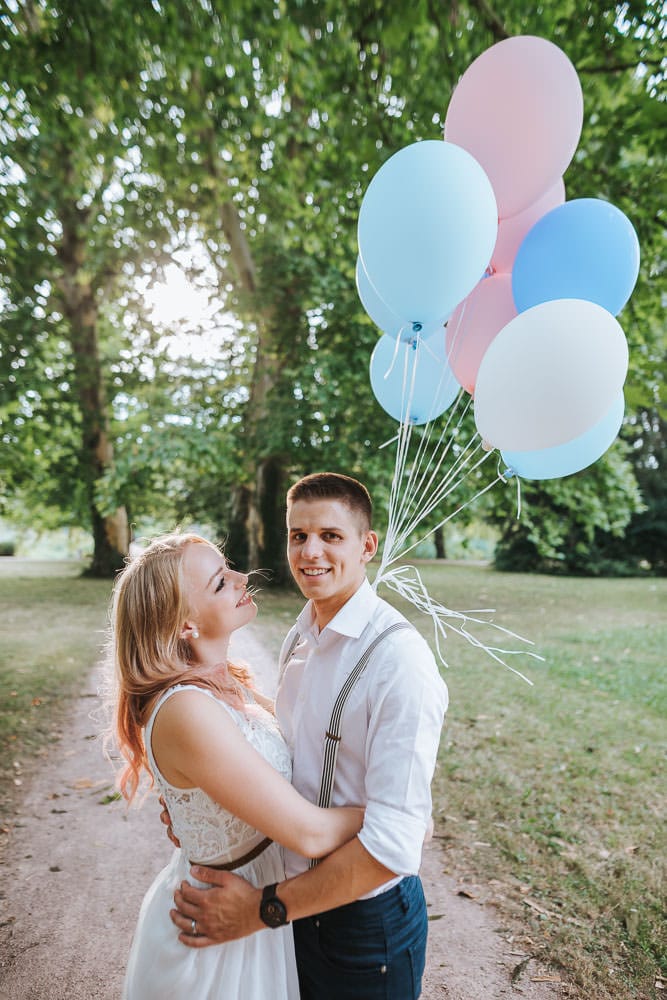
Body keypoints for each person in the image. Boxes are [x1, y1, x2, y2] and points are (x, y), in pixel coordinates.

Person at [170, 473, 449, 999]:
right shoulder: (302, 636)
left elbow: (393, 847)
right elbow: (290, 750)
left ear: (367, 546)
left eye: (330, 535)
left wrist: (263, 910)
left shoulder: (400, 662)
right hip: (295, 910)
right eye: (298, 536)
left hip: (363, 926)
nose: (310, 551)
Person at [110, 531, 364, 1000]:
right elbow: (307, 832)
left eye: (227, 567)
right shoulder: (187, 709)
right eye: (220, 582)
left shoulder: (228, 685)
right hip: (217, 921)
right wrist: (394, 815)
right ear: (185, 624)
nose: (242, 577)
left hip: (256, 898)